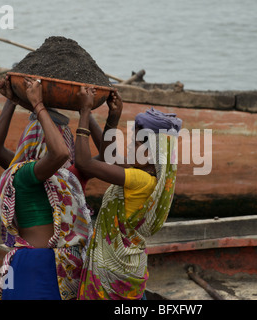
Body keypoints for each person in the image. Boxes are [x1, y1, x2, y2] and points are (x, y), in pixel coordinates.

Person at [74, 87, 182, 300]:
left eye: (138, 143)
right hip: (128, 270)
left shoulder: (140, 180)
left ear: (153, 155)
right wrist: (112, 118)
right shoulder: (143, 173)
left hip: (113, 275)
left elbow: (85, 163)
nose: (132, 145)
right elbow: (109, 156)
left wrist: (85, 112)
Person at [0, 76, 92, 300]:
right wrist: (38, 105)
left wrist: (12, 100)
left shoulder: (62, 180)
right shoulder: (25, 175)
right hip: (40, 267)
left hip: (32, 265)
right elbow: (61, 154)